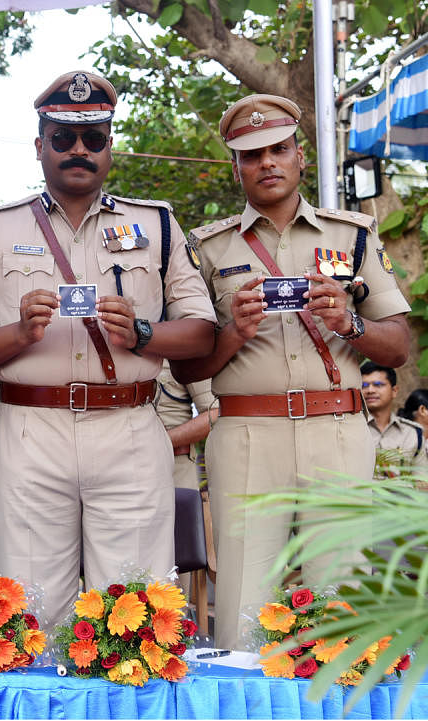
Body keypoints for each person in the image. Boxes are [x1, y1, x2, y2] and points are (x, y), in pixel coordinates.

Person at [0, 70, 216, 628]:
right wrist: (17, 334)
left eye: (93, 138)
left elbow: (201, 332)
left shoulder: (156, 224)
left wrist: (143, 333)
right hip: (28, 425)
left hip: (129, 426)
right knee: (33, 609)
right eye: (63, 137)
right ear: (39, 145)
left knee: (136, 615)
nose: (78, 150)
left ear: (110, 147)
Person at [173, 94, 411, 647]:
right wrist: (233, 331)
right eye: (252, 155)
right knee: (242, 604)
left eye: (278, 149)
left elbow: (398, 346)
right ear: (236, 167)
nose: (267, 163)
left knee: (342, 593)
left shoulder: (350, 235)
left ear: (301, 156)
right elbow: (186, 368)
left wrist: (350, 323)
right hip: (248, 431)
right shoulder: (208, 248)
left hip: (338, 429)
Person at [154, 360, 215, 492]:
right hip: (117, 466)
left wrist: (161, 441)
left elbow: (215, 415)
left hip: (176, 470)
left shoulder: (185, 351)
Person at [361, 361, 427, 475]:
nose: (370, 390)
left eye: (378, 384)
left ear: (394, 391)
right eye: (364, 386)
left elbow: (422, 482)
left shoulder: (412, 433)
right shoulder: (349, 429)